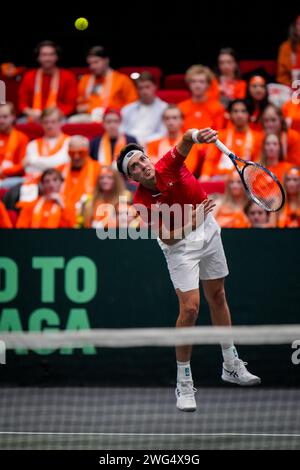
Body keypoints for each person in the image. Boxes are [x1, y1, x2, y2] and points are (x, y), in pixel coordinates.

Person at [116, 128, 260, 412]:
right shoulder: (141, 201)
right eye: (134, 167)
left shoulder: (168, 163)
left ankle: (231, 364)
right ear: (131, 178)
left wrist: (198, 133)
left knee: (217, 296)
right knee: (190, 309)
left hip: (208, 231)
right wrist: (194, 218)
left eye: (142, 159)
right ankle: (183, 382)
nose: (141, 166)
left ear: (149, 159)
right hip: (179, 246)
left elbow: (185, 139)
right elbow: (169, 237)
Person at [201, 100, 262, 180]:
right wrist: (205, 175)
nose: (239, 115)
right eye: (235, 111)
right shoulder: (220, 136)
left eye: (243, 111)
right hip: (220, 178)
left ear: (249, 115)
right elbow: (210, 160)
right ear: (229, 114)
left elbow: (258, 163)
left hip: (246, 180)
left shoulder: (258, 138)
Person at [75, 46, 138, 121]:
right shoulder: (85, 80)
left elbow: (133, 105)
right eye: (90, 64)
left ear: (106, 60)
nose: (92, 67)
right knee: (72, 121)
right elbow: (78, 106)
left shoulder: (122, 80)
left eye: (96, 62)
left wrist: (114, 109)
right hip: (88, 117)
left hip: (115, 118)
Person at [18, 41, 77, 120]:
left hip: (58, 118)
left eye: (51, 55)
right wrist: (31, 112)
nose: (48, 58)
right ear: (38, 57)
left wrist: (55, 115)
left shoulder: (68, 76)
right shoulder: (29, 76)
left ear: (57, 57)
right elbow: (22, 104)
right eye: (44, 55)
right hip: (33, 116)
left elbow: (70, 105)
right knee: (19, 123)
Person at [146, 104, 205, 176]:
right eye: (167, 118)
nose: (171, 122)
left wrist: (160, 163)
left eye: (174, 118)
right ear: (163, 121)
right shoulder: (153, 144)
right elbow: (150, 168)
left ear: (182, 121)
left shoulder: (190, 144)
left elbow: (188, 169)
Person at [121, 72, 168, 145]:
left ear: (155, 87)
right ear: (137, 90)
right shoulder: (127, 109)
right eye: (141, 88)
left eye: (147, 87)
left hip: (153, 147)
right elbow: (122, 130)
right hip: (129, 146)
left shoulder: (165, 108)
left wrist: (142, 142)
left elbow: (163, 133)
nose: (144, 91)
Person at [23, 107, 70, 178]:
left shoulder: (70, 142)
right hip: (35, 183)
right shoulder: (33, 144)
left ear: (61, 122)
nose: (49, 126)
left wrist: (35, 162)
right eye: (46, 122)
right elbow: (29, 169)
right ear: (41, 123)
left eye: (53, 122)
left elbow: (63, 162)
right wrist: (54, 163)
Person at [62, 135, 101, 220]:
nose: (76, 157)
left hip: (88, 215)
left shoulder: (98, 169)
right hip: (64, 215)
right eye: (72, 153)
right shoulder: (60, 170)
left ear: (88, 151)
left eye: (81, 153)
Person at [178, 65, 225, 131]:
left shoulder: (217, 107)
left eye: (201, 82)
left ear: (208, 85)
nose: (197, 85)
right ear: (189, 84)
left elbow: (219, 133)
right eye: (194, 81)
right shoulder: (181, 107)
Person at [0, 103, 29, 181]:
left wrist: (4, 171)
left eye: (5, 117)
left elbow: (22, 165)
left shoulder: (21, 138)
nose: (1, 120)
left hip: (10, 178)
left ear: (13, 117)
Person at [277, 15, 300, 85]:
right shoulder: (285, 47)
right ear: (295, 27)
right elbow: (281, 76)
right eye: (299, 24)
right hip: (291, 87)